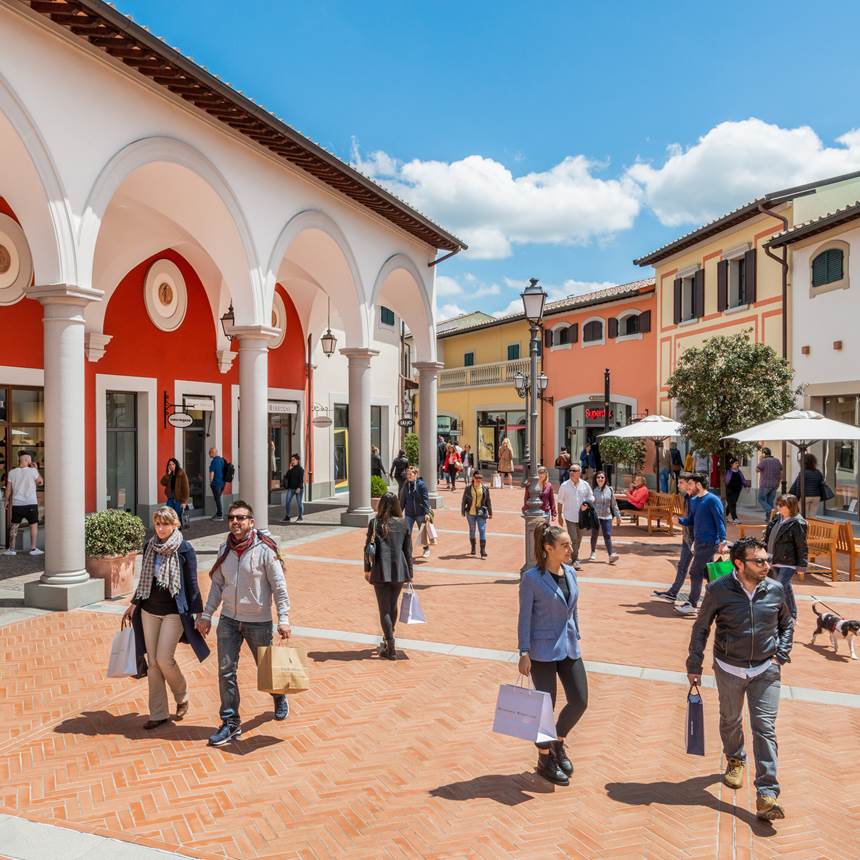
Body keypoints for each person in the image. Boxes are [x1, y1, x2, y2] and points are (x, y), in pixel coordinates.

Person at [687, 537, 794, 822]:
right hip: (729, 668)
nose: (766, 565)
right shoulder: (718, 590)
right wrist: (694, 664)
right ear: (738, 563)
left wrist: (780, 654)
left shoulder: (775, 588)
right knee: (730, 719)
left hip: (766, 671)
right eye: (759, 561)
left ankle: (767, 793)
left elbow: (787, 623)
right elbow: (701, 628)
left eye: (767, 559)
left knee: (764, 727)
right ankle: (735, 759)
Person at [196, 500, 291, 746]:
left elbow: (279, 586)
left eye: (240, 517)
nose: (235, 522)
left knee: (267, 669)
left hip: (258, 621)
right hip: (228, 620)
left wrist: (284, 619)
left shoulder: (266, 549)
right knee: (226, 672)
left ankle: (278, 695)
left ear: (251, 522)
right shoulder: (224, 549)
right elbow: (217, 585)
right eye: (231, 518)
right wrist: (207, 615)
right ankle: (230, 723)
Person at [123, 506, 209, 729]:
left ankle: (182, 696)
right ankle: (158, 713)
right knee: (152, 663)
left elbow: (191, 584)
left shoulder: (184, 549)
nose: (160, 528)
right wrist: (134, 603)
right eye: (158, 524)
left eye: (165, 524)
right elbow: (145, 579)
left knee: (164, 659)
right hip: (149, 610)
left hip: (173, 613)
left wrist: (200, 613)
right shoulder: (150, 546)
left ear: (174, 525)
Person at [517, 522, 588, 787]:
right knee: (544, 708)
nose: (570, 549)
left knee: (580, 700)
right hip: (542, 651)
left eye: (570, 544)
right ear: (548, 548)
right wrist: (524, 652)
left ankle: (558, 741)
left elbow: (573, 607)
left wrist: (577, 633)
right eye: (565, 545)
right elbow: (524, 619)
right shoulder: (532, 579)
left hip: (569, 646)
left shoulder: (571, 572)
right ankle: (545, 758)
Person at [364, 492, 413, 660]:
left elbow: (367, 548)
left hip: (380, 569)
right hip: (399, 570)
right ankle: (389, 637)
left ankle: (390, 644)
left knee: (384, 608)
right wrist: (410, 573)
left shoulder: (375, 523)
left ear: (381, 505)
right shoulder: (403, 523)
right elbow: (408, 550)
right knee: (392, 605)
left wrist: (367, 569)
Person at [674, 473, 728, 616]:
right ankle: (725, 601)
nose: (688, 487)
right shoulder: (694, 501)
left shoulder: (713, 500)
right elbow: (691, 521)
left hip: (709, 542)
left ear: (698, 485)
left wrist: (723, 541)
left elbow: (720, 521)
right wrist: (680, 521)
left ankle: (692, 603)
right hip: (698, 542)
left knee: (695, 571)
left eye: (690, 484)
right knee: (709, 573)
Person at [764, 494, 807, 621]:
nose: (779, 507)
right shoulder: (778, 518)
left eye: (782, 505)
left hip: (787, 562)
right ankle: (792, 615)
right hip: (774, 559)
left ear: (790, 507)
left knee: (776, 587)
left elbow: (801, 545)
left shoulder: (798, 522)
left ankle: (772, 615)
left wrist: (802, 565)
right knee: (785, 588)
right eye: (778, 504)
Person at [653, 473, 695, 602]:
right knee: (682, 565)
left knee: (706, 569)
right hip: (687, 536)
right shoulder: (687, 497)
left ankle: (714, 597)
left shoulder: (696, 499)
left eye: (681, 482)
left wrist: (681, 521)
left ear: (689, 483)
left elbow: (694, 519)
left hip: (699, 539)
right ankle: (673, 592)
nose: (678, 485)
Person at [3, 453, 44, 556]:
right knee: (33, 525)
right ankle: (33, 549)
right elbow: (40, 482)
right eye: (30, 460)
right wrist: (36, 470)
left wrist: (6, 500)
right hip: (31, 503)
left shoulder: (12, 472)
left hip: (17, 503)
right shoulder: (32, 471)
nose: (31, 462)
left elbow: (8, 488)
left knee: (14, 525)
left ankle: (11, 549)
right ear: (26, 460)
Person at [556, 464, 594, 571]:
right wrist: (560, 515)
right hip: (569, 516)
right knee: (573, 539)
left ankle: (573, 557)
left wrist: (586, 504)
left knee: (579, 539)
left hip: (582, 517)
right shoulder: (564, 485)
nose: (572, 472)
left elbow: (591, 497)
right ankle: (575, 559)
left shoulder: (585, 485)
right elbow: (560, 501)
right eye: (570, 470)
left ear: (579, 472)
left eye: (574, 470)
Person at [399, 465, 431, 560]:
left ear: (415, 474)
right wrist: (399, 513)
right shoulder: (405, 485)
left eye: (410, 474)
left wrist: (427, 513)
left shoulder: (421, 485)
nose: (408, 476)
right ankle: (408, 552)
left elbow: (426, 500)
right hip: (409, 514)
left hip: (420, 513)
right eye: (407, 474)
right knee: (407, 533)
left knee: (422, 533)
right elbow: (402, 500)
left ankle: (426, 548)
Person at [589, 471, 620, 564]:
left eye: (602, 477)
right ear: (596, 479)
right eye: (598, 477)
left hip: (607, 516)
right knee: (594, 534)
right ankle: (593, 552)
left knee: (607, 534)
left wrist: (618, 515)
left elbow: (614, 504)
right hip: (596, 516)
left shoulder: (609, 490)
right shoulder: (593, 490)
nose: (600, 479)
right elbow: (589, 503)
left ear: (605, 479)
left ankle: (611, 555)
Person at [462, 470, 493, 558]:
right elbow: (464, 500)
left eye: (480, 478)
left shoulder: (485, 488)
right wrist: (462, 511)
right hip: (470, 513)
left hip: (481, 513)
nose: (479, 479)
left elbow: (488, 501)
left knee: (482, 530)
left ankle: (482, 550)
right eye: (477, 478)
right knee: (472, 530)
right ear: (473, 478)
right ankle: (473, 548)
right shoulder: (468, 488)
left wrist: (490, 512)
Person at [789, 453, 827, 518]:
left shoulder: (803, 472)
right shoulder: (818, 472)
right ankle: (811, 527)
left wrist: (797, 498)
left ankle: (804, 528)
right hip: (816, 497)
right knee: (812, 516)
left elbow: (799, 487)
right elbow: (821, 484)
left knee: (803, 515)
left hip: (805, 496)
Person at [756, 448, 783, 522]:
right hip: (774, 485)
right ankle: (769, 519)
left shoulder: (764, 461)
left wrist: (760, 461)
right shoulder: (777, 461)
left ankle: (772, 512)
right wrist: (779, 481)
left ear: (764, 454)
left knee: (761, 499)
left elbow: (757, 470)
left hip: (765, 484)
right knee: (769, 501)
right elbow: (781, 471)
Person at [160, 458, 189, 525]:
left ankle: (177, 531)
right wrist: (167, 474)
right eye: (170, 465)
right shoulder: (169, 475)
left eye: (173, 464)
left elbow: (186, 488)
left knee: (177, 515)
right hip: (170, 498)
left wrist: (184, 502)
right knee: (168, 515)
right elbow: (162, 482)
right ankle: (172, 530)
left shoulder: (181, 473)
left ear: (176, 465)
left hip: (178, 499)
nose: (171, 466)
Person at [724, 457, 749, 524]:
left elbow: (742, 479)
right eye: (736, 463)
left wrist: (746, 486)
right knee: (732, 504)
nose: (737, 464)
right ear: (731, 464)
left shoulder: (739, 471)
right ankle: (735, 518)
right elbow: (726, 480)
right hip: (729, 490)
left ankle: (724, 516)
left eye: (738, 463)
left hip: (737, 490)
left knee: (731, 504)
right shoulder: (728, 471)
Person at [281, 454, 305, 523]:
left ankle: (300, 517)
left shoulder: (301, 470)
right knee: (287, 502)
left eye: (293, 460)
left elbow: (301, 480)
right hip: (291, 489)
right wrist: (289, 469)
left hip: (298, 489)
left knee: (299, 503)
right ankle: (288, 516)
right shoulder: (291, 469)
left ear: (297, 460)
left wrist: (299, 488)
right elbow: (286, 477)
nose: (292, 461)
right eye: (291, 460)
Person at [208, 448, 226, 521]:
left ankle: (219, 515)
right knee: (217, 499)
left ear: (212, 453)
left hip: (216, 483)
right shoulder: (222, 460)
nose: (209, 455)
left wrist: (211, 482)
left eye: (209, 453)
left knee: (217, 499)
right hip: (222, 483)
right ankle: (218, 513)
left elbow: (212, 472)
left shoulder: (214, 461)